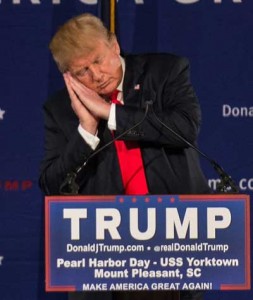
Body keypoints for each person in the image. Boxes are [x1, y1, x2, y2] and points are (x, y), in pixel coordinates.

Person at [39, 13, 209, 300]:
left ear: (114, 46)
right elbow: (52, 184)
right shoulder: (59, 109)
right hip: (103, 254)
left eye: (99, 60)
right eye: (82, 72)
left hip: (173, 239)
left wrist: (111, 113)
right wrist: (87, 130)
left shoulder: (164, 72)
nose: (96, 75)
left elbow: (185, 129)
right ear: (67, 76)